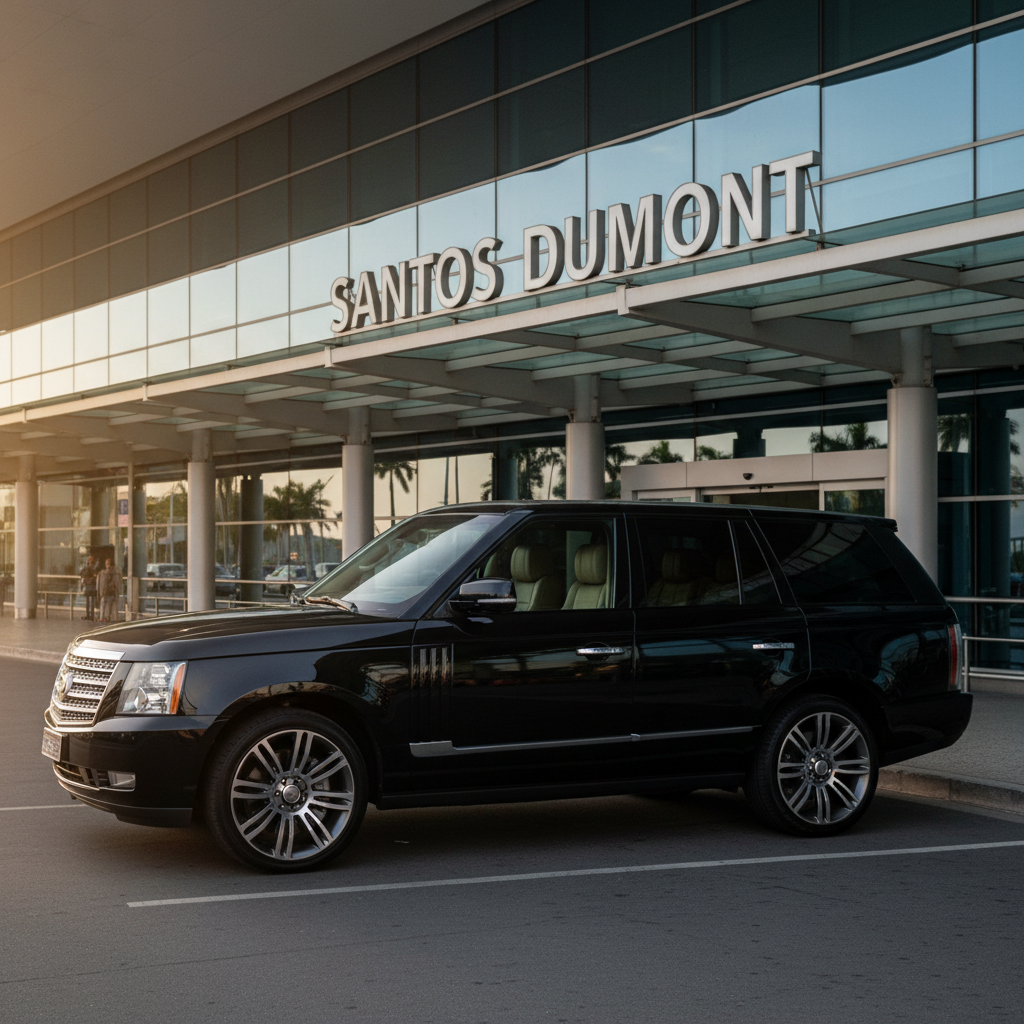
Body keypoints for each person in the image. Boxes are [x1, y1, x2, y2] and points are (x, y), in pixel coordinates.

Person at [97, 557, 122, 623]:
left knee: (108, 606)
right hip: (106, 592)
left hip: (110, 592)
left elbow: (116, 583)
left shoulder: (111, 574)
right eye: (107, 564)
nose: (107, 566)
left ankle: (106, 617)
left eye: (108, 564)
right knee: (104, 605)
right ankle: (103, 617)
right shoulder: (104, 573)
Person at [79, 555, 98, 621]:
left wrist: (85, 579)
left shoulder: (86, 568)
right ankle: (91, 615)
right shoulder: (93, 569)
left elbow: (81, 573)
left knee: (88, 602)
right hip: (92, 586)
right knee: (92, 601)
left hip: (88, 586)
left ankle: (88, 614)